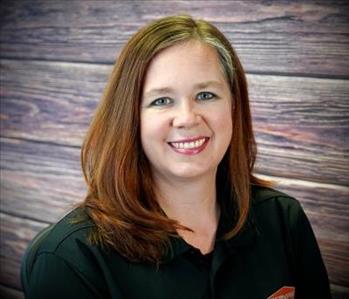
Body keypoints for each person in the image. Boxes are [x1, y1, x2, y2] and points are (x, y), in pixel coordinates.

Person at [25, 15, 331, 299]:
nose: (187, 118)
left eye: (206, 95)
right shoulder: (71, 258)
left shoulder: (283, 220)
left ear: (234, 107)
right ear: (130, 118)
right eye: (162, 100)